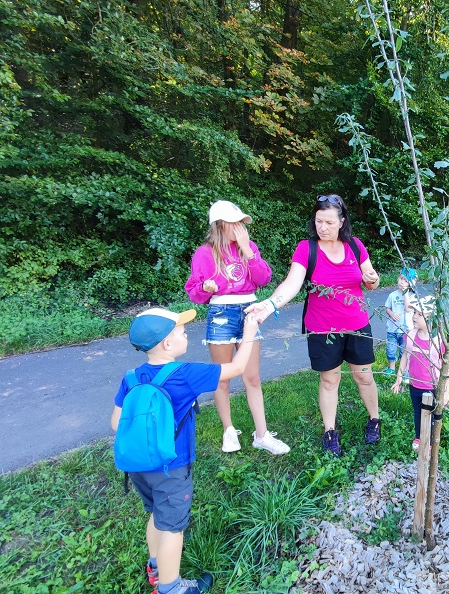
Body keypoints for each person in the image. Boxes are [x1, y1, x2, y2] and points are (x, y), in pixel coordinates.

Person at [110, 307, 259, 593]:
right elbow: (237, 368)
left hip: (139, 467)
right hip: (172, 466)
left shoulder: (131, 377)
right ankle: (170, 587)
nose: (185, 334)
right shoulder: (186, 374)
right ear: (167, 343)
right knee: (173, 528)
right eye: (181, 331)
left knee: (156, 512)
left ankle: (155, 567)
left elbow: (116, 423)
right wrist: (249, 332)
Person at [245, 194, 381, 457]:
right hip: (322, 329)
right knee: (329, 380)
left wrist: (373, 279)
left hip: (357, 325)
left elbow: (370, 281)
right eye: (319, 221)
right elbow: (292, 283)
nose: (323, 227)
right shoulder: (307, 249)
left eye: (329, 222)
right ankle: (330, 431)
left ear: (342, 221)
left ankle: (374, 420)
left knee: (363, 376)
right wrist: (270, 304)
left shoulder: (355, 246)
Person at [184, 200, 289, 455]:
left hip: (249, 311)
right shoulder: (204, 254)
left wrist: (248, 250)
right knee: (223, 377)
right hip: (221, 314)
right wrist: (205, 288)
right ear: (221, 225)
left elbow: (264, 278)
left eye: (242, 223)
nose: (242, 227)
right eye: (236, 223)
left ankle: (262, 435)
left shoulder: (248, 247)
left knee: (251, 376)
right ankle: (229, 431)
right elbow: (194, 293)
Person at [391, 295, 447, 451]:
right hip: (415, 384)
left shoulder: (437, 341)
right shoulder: (411, 336)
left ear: (431, 319)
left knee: (431, 414)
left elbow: (445, 368)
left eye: (419, 314)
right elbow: (405, 356)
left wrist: (446, 391)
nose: (414, 316)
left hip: (432, 386)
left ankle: (430, 439)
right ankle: (419, 436)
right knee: (418, 412)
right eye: (414, 312)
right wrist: (399, 376)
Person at [383, 268, 416, 376]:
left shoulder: (412, 296)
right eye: (401, 279)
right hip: (392, 329)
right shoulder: (392, 295)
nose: (402, 282)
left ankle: (405, 370)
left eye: (406, 281)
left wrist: (406, 293)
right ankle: (391, 368)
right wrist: (392, 314)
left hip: (406, 330)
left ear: (411, 284)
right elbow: (387, 308)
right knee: (391, 350)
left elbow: (408, 309)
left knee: (404, 352)